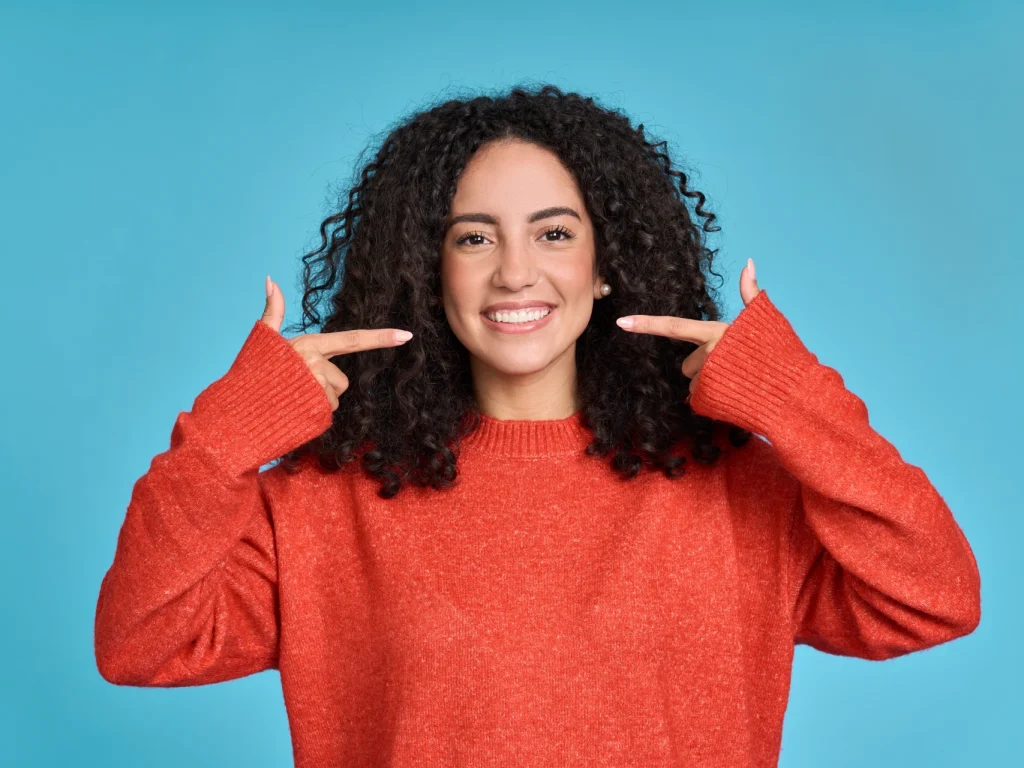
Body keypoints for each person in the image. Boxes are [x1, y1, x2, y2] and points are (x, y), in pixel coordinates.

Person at [93, 84, 981, 767]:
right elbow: (140, 641)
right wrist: (225, 436)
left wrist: (793, 402)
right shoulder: (326, 502)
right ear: (430, 272)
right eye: (473, 239)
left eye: (555, 234)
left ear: (606, 266)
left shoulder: (737, 490)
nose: (516, 272)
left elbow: (935, 595)